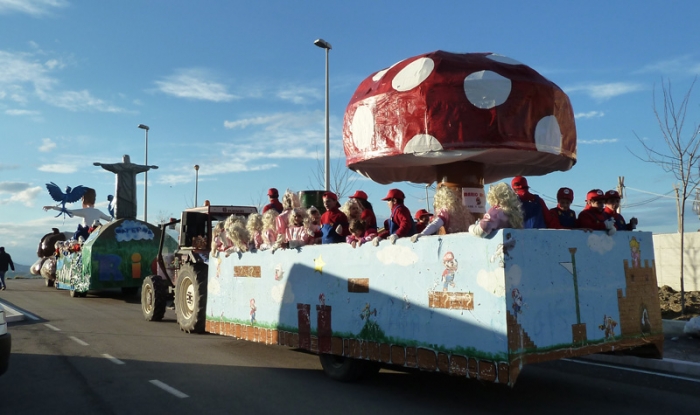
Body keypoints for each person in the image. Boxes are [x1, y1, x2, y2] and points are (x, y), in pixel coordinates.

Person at [94, 154, 158, 219]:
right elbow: (110, 166)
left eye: (127, 158)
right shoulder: (119, 166)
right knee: (121, 201)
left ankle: (131, 215)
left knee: (130, 201)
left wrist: (150, 167)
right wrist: (101, 164)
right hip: (121, 189)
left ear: (129, 159)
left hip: (130, 189)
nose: (125, 160)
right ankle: (121, 214)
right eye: (124, 158)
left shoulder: (132, 167)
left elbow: (141, 167)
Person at [43, 188, 112, 240]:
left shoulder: (85, 211)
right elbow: (109, 219)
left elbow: (67, 211)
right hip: (96, 235)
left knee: (65, 234)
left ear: (83, 199)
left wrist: (52, 207)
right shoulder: (98, 211)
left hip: (85, 235)